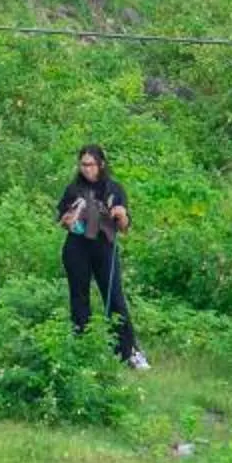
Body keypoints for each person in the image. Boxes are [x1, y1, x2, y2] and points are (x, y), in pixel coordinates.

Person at [57, 144, 148, 370]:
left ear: (101, 165)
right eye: (83, 164)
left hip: (104, 247)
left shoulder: (113, 188)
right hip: (77, 247)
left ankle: (129, 352)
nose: (86, 169)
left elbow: (125, 226)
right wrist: (68, 220)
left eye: (90, 164)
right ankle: (82, 349)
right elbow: (62, 219)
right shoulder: (73, 189)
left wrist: (121, 214)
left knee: (114, 298)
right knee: (79, 298)